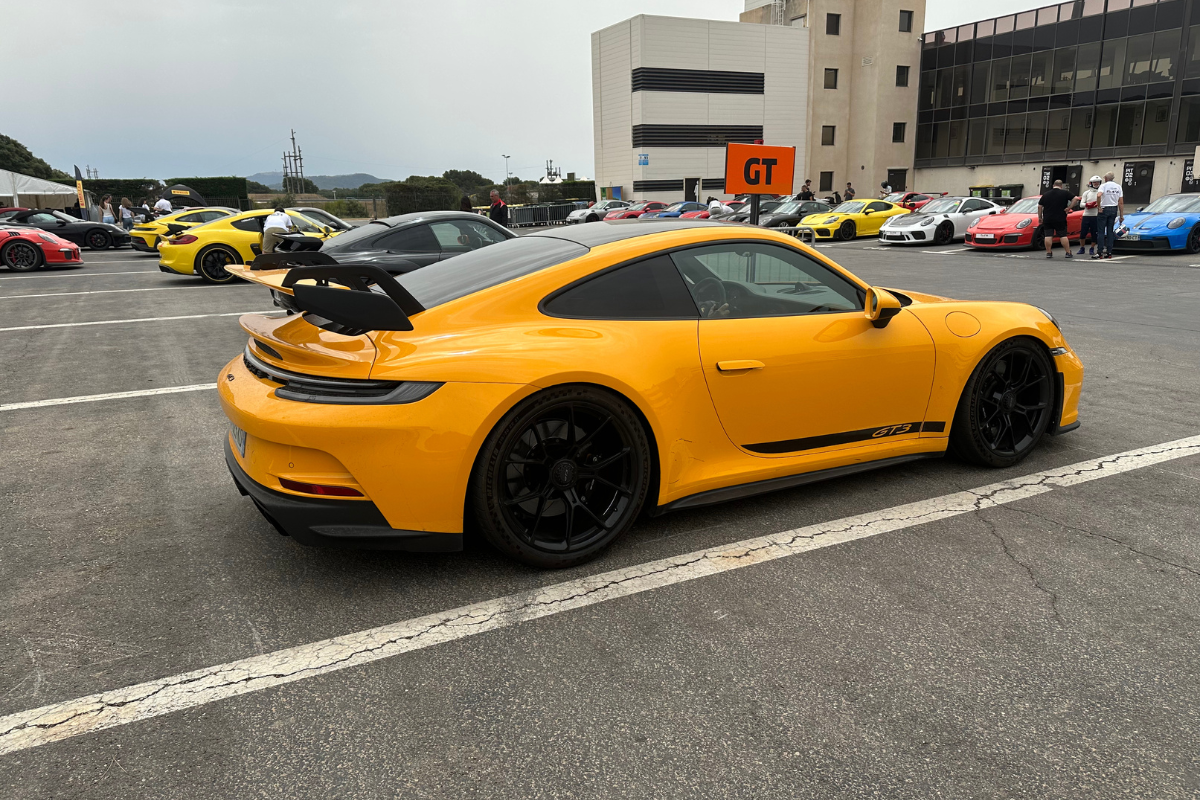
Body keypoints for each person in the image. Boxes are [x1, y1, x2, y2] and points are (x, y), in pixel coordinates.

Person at [1038, 179, 1073, 259]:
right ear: (1061, 186)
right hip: (1060, 218)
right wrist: (1069, 207)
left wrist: (1040, 217)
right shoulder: (1065, 193)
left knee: (1048, 235)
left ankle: (1049, 252)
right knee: (1062, 235)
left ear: (1053, 185)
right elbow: (1075, 198)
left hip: (1048, 218)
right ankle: (1068, 252)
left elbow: (1040, 206)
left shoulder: (1046, 194)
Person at [1097, 171, 1124, 259]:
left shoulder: (1103, 186)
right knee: (1110, 231)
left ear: (1105, 178)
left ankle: (1100, 252)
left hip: (1104, 208)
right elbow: (1121, 202)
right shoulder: (1118, 187)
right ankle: (1109, 252)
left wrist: (1099, 207)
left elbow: (1098, 195)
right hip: (1113, 208)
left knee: (1101, 231)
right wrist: (1121, 215)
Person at [1075, 176, 1102, 257]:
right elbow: (1081, 204)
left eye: (1097, 182)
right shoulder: (1086, 193)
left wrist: (1097, 205)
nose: (1096, 184)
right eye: (1094, 182)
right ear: (1091, 183)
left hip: (1095, 215)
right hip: (1086, 215)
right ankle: (1082, 247)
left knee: (1094, 233)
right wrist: (1088, 204)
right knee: (1083, 233)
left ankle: (1092, 248)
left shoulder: (1100, 193)